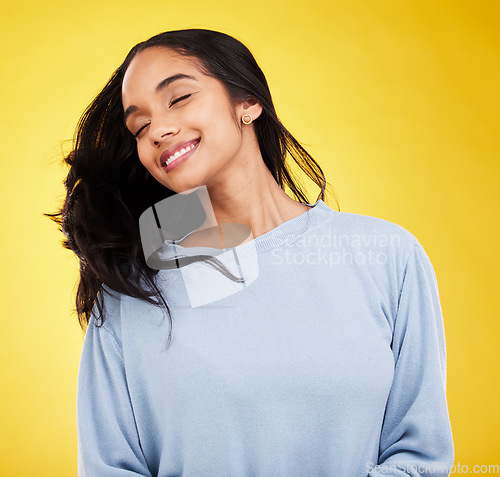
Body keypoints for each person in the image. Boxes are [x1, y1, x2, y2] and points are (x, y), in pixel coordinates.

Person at [48, 28, 454, 476]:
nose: (159, 129)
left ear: (247, 102)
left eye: (179, 98)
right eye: (140, 126)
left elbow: (420, 458)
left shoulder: (386, 256)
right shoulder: (130, 292)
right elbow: (110, 467)